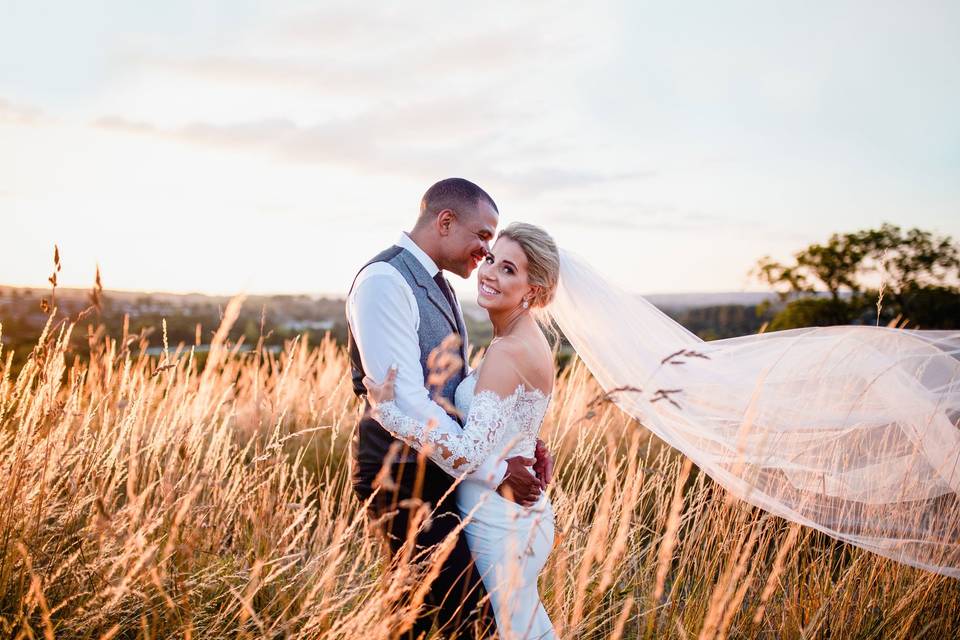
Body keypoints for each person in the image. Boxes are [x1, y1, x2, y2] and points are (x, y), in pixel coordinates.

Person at [346, 179, 554, 638]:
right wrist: (497, 468)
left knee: (424, 618)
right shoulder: (385, 280)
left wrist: (517, 439)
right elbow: (407, 402)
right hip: (401, 475)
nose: (485, 253)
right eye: (483, 237)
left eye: (498, 252)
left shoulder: (438, 283)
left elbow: (461, 389)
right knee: (460, 618)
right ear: (445, 222)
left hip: (446, 473)